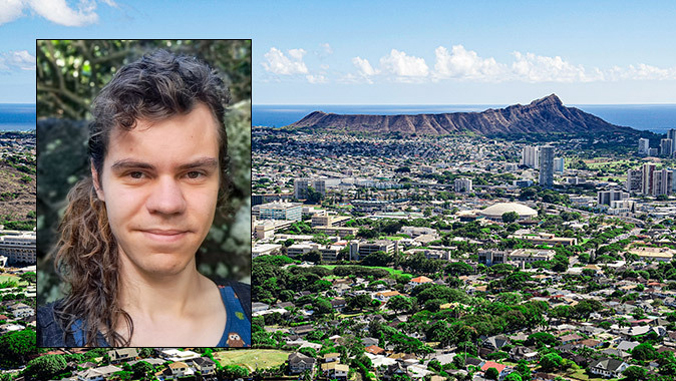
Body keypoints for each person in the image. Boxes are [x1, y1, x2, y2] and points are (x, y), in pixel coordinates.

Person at [37, 50, 251, 347]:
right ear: (98, 180)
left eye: (193, 174)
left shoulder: (254, 310)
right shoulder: (44, 334)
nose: (167, 204)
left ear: (220, 181)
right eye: (137, 174)